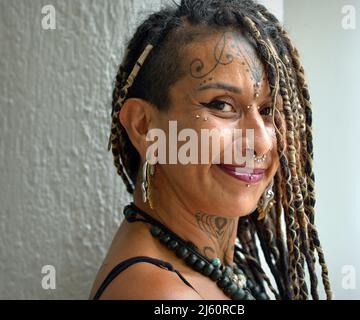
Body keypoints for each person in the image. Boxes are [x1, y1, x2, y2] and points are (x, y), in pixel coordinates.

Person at [89, 0, 332, 300]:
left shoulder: (205, 267)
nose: (261, 142)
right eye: (221, 105)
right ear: (143, 126)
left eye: (268, 110)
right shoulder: (164, 295)